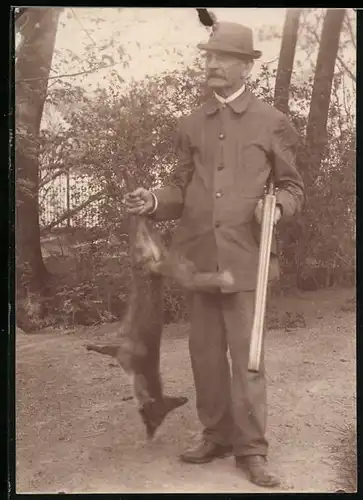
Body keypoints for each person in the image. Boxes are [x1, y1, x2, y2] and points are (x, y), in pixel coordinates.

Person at [124, 22, 305, 488]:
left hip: (247, 261)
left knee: (248, 358)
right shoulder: (190, 124)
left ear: (246, 66)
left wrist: (278, 206)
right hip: (197, 261)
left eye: (222, 57)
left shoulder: (273, 121)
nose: (211, 64)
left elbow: (292, 186)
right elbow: (180, 187)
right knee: (204, 354)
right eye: (208, 56)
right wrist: (155, 201)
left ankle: (252, 449)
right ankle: (215, 434)